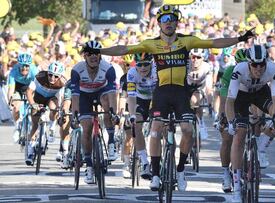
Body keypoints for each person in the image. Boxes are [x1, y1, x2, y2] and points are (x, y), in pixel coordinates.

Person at [86, 4, 255, 191]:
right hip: (162, 93)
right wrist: (100, 51)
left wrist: (240, 38)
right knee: (156, 130)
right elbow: (124, 49)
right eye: (164, 19)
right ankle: (156, 174)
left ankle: (181, 170)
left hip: (181, 92)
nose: (169, 23)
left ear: (177, 22)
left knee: (188, 130)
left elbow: (214, 43)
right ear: (159, 23)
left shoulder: (187, 41)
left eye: (172, 19)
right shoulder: (152, 44)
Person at [225, 44, 275, 202]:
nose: (258, 68)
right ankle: (236, 186)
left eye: (261, 64)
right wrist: (231, 122)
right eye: (254, 65)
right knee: (239, 134)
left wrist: (274, 120)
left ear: (266, 62)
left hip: (260, 93)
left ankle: (261, 149)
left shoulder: (273, 69)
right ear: (248, 63)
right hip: (241, 96)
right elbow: (230, 101)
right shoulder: (239, 70)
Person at [70, 41, 118, 184]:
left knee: (106, 104)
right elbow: (75, 96)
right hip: (84, 96)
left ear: (100, 55)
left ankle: (111, 141)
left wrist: (113, 112)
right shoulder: (77, 70)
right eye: (89, 53)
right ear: (84, 55)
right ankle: (89, 166)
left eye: (96, 53)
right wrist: (75, 115)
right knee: (86, 127)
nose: (93, 56)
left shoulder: (108, 68)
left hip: (101, 92)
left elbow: (112, 93)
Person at [218, 48, 247, 193]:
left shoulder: (255, 70)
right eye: (240, 63)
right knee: (227, 138)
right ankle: (225, 174)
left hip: (248, 103)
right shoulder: (230, 71)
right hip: (231, 104)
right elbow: (224, 97)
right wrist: (222, 116)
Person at [25, 61, 67, 166]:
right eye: (50, 74)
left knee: (54, 107)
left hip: (51, 98)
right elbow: (29, 91)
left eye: (56, 76)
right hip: (38, 98)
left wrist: (61, 110)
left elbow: (62, 99)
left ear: (60, 76)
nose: (52, 78)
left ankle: (52, 127)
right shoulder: (40, 76)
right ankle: (30, 150)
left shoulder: (62, 82)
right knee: (35, 123)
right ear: (47, 73)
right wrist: (33, 104)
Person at [126, 52, 157, 180]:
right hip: (140, 100)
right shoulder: (132, 73)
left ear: (151, 64)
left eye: (146, 64)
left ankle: (164, 155)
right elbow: (131, 96)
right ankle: (145, 163)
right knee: (136, 124)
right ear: (135, 65)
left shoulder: (157, 71)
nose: (143, 68)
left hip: (157, 99)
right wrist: (132, 115)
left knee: (163, 125)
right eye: (140, 65)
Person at [7, 53, 38, 143]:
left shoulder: (34, 71)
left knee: (34, 107)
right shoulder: (13, 72)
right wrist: (10, 101)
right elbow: (11, 89)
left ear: (30, 65)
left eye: (27, 66)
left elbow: (37, 87)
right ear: (18, 65)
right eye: (22, 66)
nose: (24, 68)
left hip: (30, 88)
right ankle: (17, 127)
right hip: (18, 88)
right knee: (16, 107)